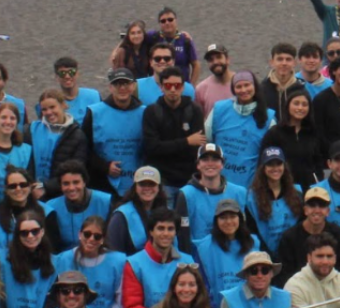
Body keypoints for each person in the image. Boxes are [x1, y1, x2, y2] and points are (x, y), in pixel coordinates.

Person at [120, 208, 196, 308]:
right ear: (151, 231)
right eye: (160, 228)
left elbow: (198, 299)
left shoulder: (188, 261)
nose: (165, 233)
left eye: (170, 229)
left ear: (176, 232)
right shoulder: (134, 264)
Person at [175, 144, 252, 257]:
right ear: (198, 165)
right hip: (199, 257)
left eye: (215, 159)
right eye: (205, 159)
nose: (210, 163)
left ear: (222, 164)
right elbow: (182, 234)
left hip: (233, 255)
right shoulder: (186, 194)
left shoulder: (239, 192)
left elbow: (245, 230)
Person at [141, 66, 206, 196]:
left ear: (183, 87)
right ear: (161, 87)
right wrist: (186, 141)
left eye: (177, 85)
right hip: (163, 179)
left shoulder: (194, 110)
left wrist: (167, 146)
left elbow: (198, 147)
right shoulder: (152, 112)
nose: (172, 89)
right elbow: (151, 148)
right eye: (168, 85)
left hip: (189, 179)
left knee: (186, 216)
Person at [274, 186, 340, 281]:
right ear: (305, 210)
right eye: (312, 205)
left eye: (322, 206)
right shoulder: (290, 237)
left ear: (328, 211)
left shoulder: (339, 234)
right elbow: (285, 274)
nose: (317, 210)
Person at [84, 68, 146, 196]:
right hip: (102, 183)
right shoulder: (94, 113)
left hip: (137, 182)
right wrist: (104, 166)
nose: (122, 88)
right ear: (110, 87)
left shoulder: (145, 113)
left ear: (133, 86)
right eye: (117, 84)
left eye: (126, 83)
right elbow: (84, 149)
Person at [0, 211, 57, 308]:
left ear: (42, 232)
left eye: (35, 231)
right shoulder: (3, 260)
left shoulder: (55, 263)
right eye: (24, 232)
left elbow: (52, 303)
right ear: (17, 235)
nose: (30, 236)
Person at [194, 200, 257, 308]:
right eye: (223, 217)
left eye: (232, 216)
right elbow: (202, 283)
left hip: (250, 307)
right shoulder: (203, 247)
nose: (228, 222)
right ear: (216, 221)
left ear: (240, 218)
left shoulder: (254, 243)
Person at [43, 160, 113, 250]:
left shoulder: (105, 201)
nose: (71, 188)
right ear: (60, 185)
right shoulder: (51, 206)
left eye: (76, 182)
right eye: (66, 183)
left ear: (84, 182)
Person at [265, 86, 324, 186]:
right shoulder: (274, 133)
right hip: (282, 188)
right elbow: (264, 162)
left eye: (304, 104)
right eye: (296, 103)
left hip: (309, 189)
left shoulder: (314, 133)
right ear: (288, 106)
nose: (300, 108)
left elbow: (318, 164)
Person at [31, 89, 89, 186]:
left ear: (63, 105)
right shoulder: (31, 130)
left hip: (62, 191)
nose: (49, 112)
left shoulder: (78, 136)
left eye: (52, 107)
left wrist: (46, 187)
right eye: (44, 109)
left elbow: (76, 171)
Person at [51, 56, 102, 124]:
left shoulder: (94, 96)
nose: (67, 76)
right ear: (56, 77)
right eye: (62, 73)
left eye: (71, 72)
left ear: (77, 74)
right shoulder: (52, 103)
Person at [256, 42, 302, 113]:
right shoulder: (262, 90)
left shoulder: (300, 89)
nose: (284, 63)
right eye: (280, 59)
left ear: (294, 63)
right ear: (271, 62)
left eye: (288, 59)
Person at [194, 44, 234, 112]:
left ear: (227, 60)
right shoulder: (201, 89)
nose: (215, 62)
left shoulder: (242, 85)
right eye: (211, 60)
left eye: (219, 57)